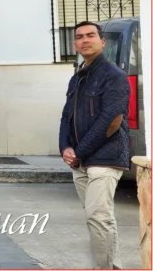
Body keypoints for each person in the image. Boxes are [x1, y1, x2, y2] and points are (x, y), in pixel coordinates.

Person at [59, 21, 131, 269]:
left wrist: (78, 151)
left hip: (106, 157)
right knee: (99, 220)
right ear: (75, 44)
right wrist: (64, 148)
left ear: (102, 42)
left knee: (98, 216)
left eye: (91, 35)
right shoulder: (77, 77)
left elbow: (110, 121)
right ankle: (112, 266)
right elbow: (66, 115)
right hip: (81, 160)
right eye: (79, 37)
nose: (84, 40)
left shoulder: (114, 76)